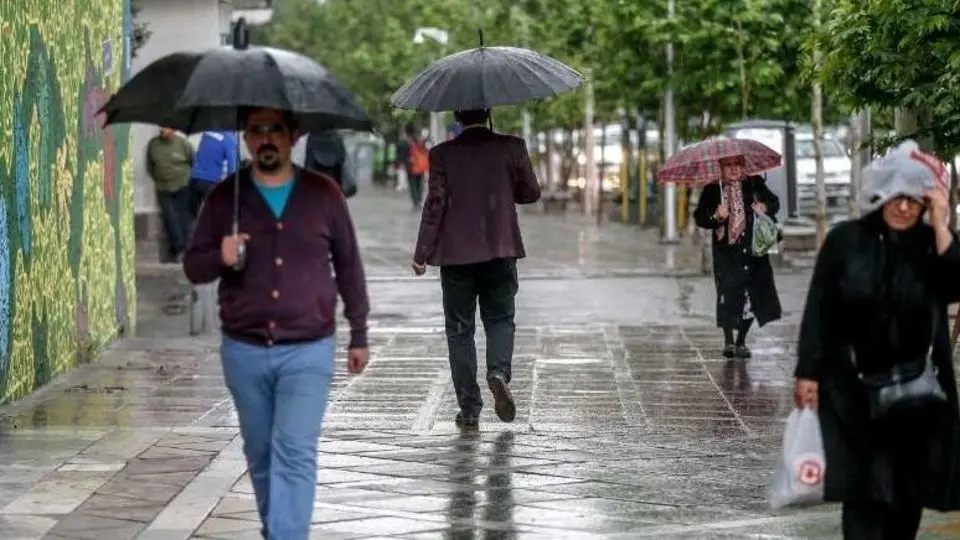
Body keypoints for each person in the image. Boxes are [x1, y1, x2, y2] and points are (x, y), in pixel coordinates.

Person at [182, 107, 370, 540]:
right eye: (257, 131)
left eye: (275, 130)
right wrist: (220, 256)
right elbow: (194, 266)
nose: (266, 139)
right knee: (261, 451)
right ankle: (279, 530)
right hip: (244, 350)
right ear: (246, 138)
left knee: (295, 450)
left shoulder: (323, 194)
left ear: (294, 135)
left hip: (309, 348)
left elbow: (349, 265)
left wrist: (358, 332)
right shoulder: (225, 198)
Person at [794, 142, 960, 539]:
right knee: (865, 494)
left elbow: (956, 284)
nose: (904, 208)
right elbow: (819, 308)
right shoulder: (846, 241)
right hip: (855, 393)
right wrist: (807, 371)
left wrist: (941, 224)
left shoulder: (930, 244)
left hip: (918, 396)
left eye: (914, 200)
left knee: (906, 496)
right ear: (880, 195)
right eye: (896, 197)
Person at [411, 108, 541, 431]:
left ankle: (469, 408)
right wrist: (505, 180)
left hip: (457, 256)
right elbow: (531, 193)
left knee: (459, 330)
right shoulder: (511, 147)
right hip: (500, 250)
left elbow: (435, 205)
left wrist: (422, 252)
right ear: (488, 112)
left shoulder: (442, 154)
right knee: (500, 319)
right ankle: (498, 373)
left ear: (458, 115)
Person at [693, 156, 782, 358]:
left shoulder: (754, 183)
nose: (734, 169)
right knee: (728, 295)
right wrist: (716, 217)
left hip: (754, 250)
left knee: (752, 296)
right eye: (728, 165)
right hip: (727, 253)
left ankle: (741, 340)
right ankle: (729, 342)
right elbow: (700, 217)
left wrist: (764, 207)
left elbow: (774, 202)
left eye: (737, 165)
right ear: (721, 167)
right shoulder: (712, 189)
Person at [146, 126, 194, 262]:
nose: (162, 130)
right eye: (161, 127)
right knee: (170, 218)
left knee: (184, 218)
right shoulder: (153, 144)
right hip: (163, 187)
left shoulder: (183, 144)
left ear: (173, 129)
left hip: (183, 186)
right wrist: (158, 178)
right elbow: (150, 166)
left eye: (166, 127)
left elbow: (192, 160)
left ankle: (187, 249)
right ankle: (178, 250)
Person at [188, 130, 239, 220]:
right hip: (211, 181)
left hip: (194, 177)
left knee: (192, 215)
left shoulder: (207, 133)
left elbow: (200, 153)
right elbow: (232, 166)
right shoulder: (229, 138)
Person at [302, 130, 357, 198]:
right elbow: (342, 159)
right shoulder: (337, 137)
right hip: (334, 178)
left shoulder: (312, 137)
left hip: (317, 178)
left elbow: (308, 162)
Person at [395, 122, 429, 210]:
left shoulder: (404, 141)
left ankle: (416, 202)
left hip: (410, 166)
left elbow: (400, 155)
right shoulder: (419, 140)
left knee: (412, 184)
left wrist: (401, 163)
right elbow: (425, 151)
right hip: (420, 165)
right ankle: (419, 200)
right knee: (419, 183)